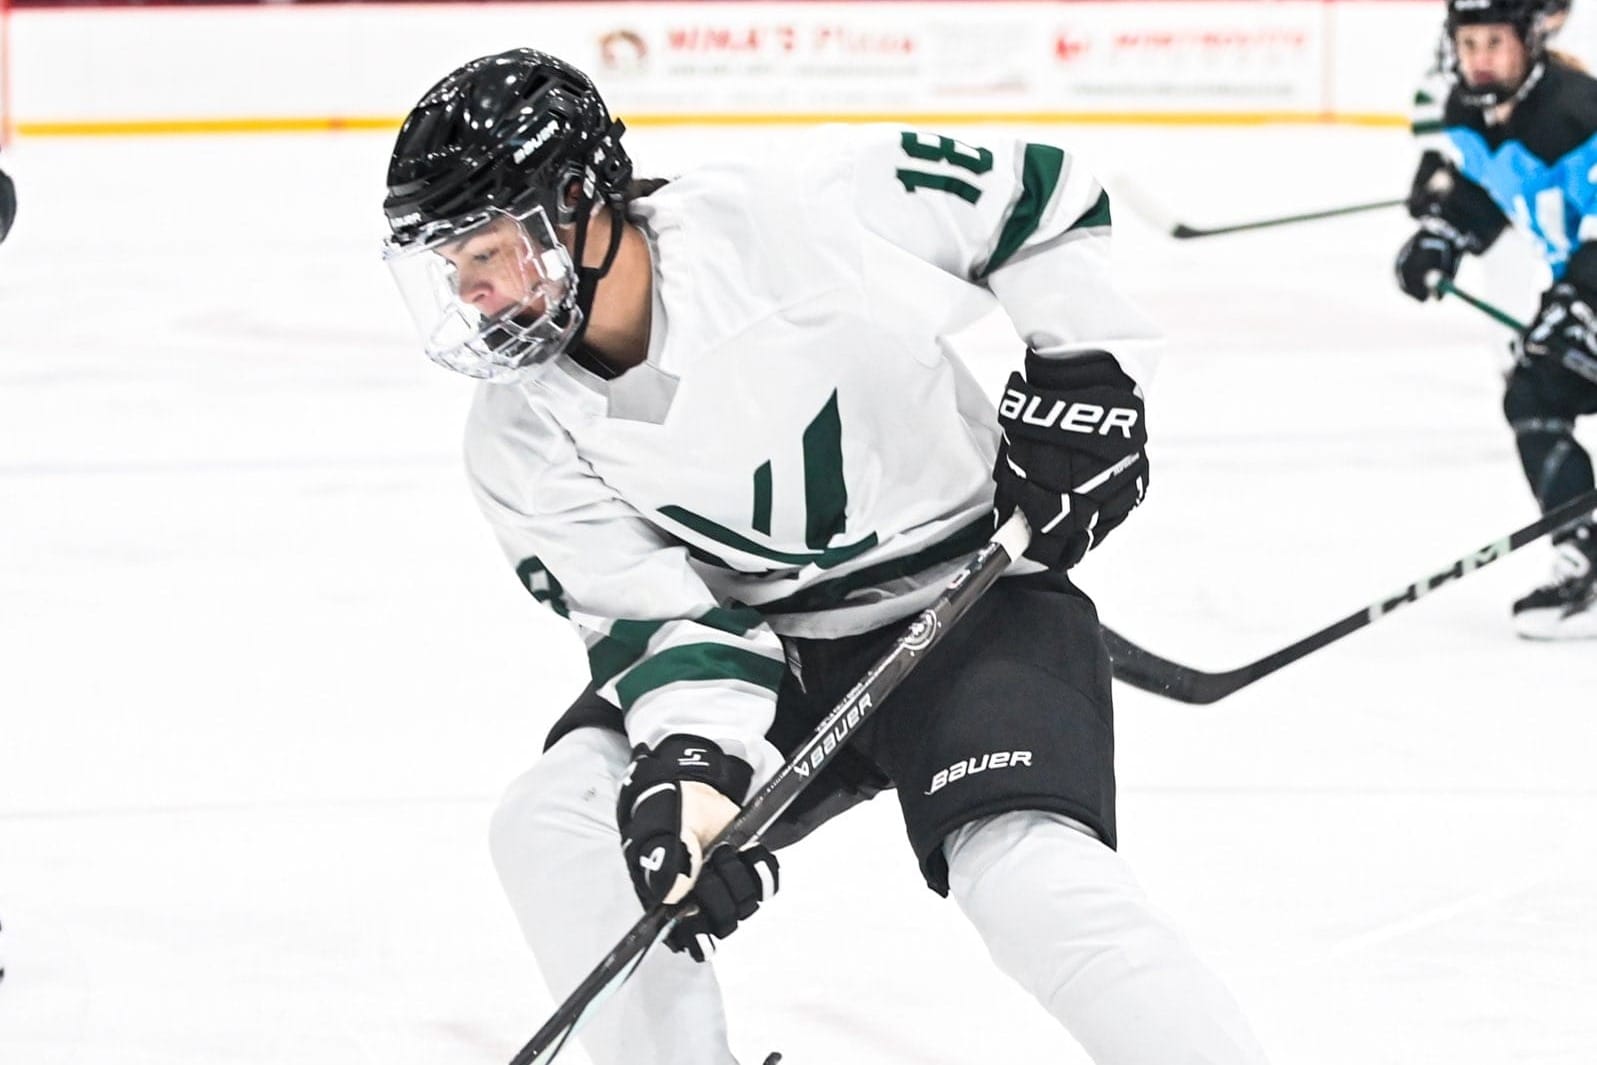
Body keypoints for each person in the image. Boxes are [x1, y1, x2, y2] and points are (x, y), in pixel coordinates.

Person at [382, 48, 1271, 1065]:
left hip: (972, 601)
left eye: (489, 251)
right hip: (773, 652)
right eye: (452, 267)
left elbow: (1037, 194)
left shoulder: (791, 220)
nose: (475, 294)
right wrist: (695, 769)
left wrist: (1085, 369)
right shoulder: (516, 436)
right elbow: (661, 623)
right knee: (553, 821)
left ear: (580, 199)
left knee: (1029, 880)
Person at [1397, 0, 1597, 638]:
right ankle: (1586, 559)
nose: (1480, 59)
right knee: (1536, 390)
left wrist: (1581, 298)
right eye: (1470, 43)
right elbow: (1493, 188)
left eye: (1495, 43)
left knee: (1543, 368)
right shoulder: (1470, 114)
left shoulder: (1578, 111)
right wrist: (1446, 232)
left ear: (1530, 41)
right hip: (1584, 288)